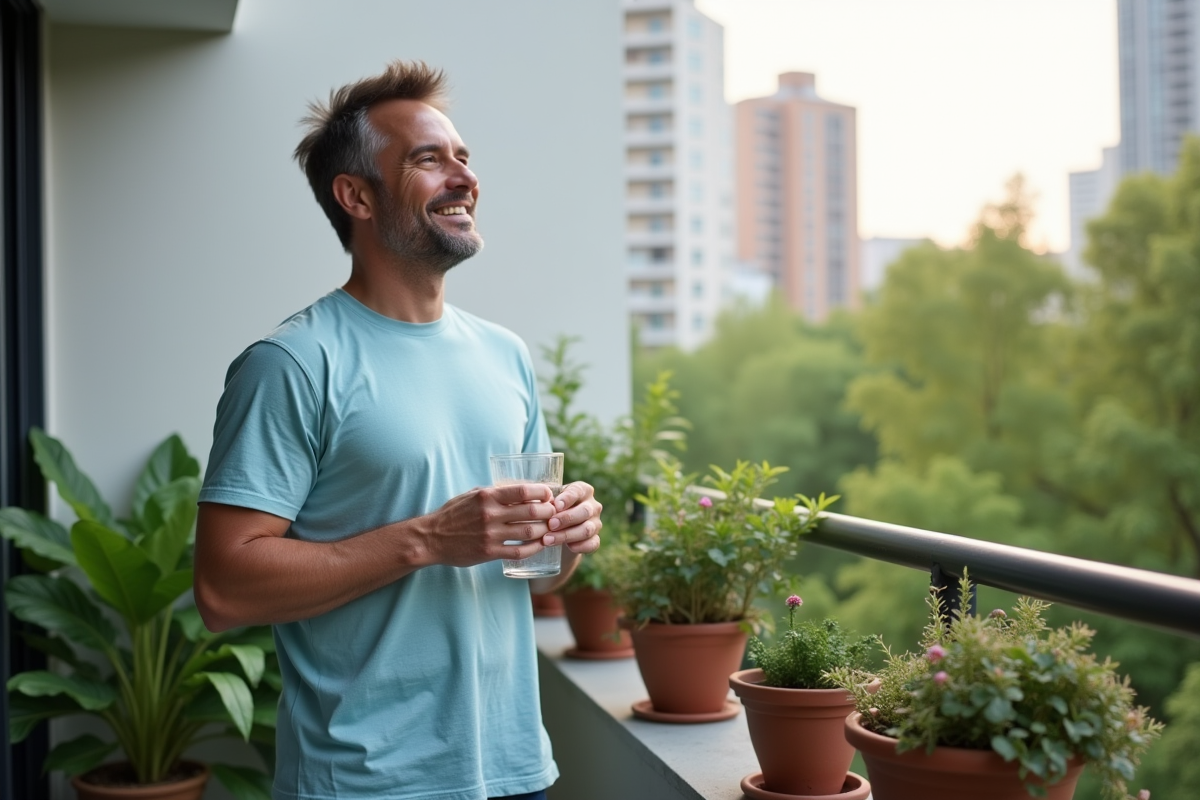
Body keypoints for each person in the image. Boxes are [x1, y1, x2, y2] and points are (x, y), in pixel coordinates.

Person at [193, 60, 602, 800]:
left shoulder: (504, 354)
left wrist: (564, 538)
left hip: (514, 772)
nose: (463, 177)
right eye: (427, 159)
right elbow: (224, 589)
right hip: (365, 783)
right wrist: (428, 540)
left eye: (464, 158)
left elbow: (535, 573)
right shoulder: (291, 363)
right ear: (355, 195)